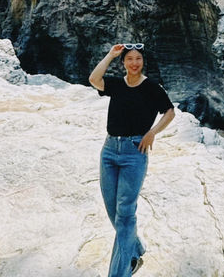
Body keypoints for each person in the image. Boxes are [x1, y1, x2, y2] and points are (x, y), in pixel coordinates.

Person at [89, 43, 175, 277]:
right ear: (123, 62)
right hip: (109, 150)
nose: (134, 63)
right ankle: (135, 248)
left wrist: (152, 133)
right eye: (129, 59)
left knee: (125, 213)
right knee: (112, 208)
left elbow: (169, 112)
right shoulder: (116, 84)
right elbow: (94, 79)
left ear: (142, 61)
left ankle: (121, 271)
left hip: (134, 152)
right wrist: (110, 54)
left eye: (138, 59)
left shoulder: (151, 87)